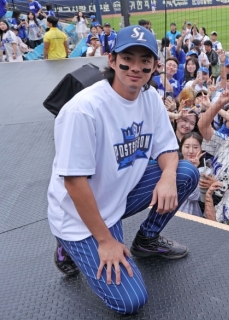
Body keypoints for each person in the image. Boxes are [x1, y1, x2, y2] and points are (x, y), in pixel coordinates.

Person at [48, 26, 200, 314]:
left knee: (184, 173)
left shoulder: (150, 97)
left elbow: (168, 149)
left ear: (155, 65)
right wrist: (106, 241)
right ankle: (67, 244)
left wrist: (167, 177)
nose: (136, 66)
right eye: (127, 57)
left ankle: (146, 241)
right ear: (112, 59)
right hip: (79, 215)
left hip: (117, 195)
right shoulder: (84, 109)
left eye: (145, 60)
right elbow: (74, 182)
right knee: (131, 301)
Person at [177, 132, 205, 217]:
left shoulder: (204, 171)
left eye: (195, 147)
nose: (191, 151)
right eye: (187, 147)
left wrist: (194, 169)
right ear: (181, 148)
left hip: (191, 214)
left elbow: (194, 197)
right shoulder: (173, 166)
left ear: (201, 149)